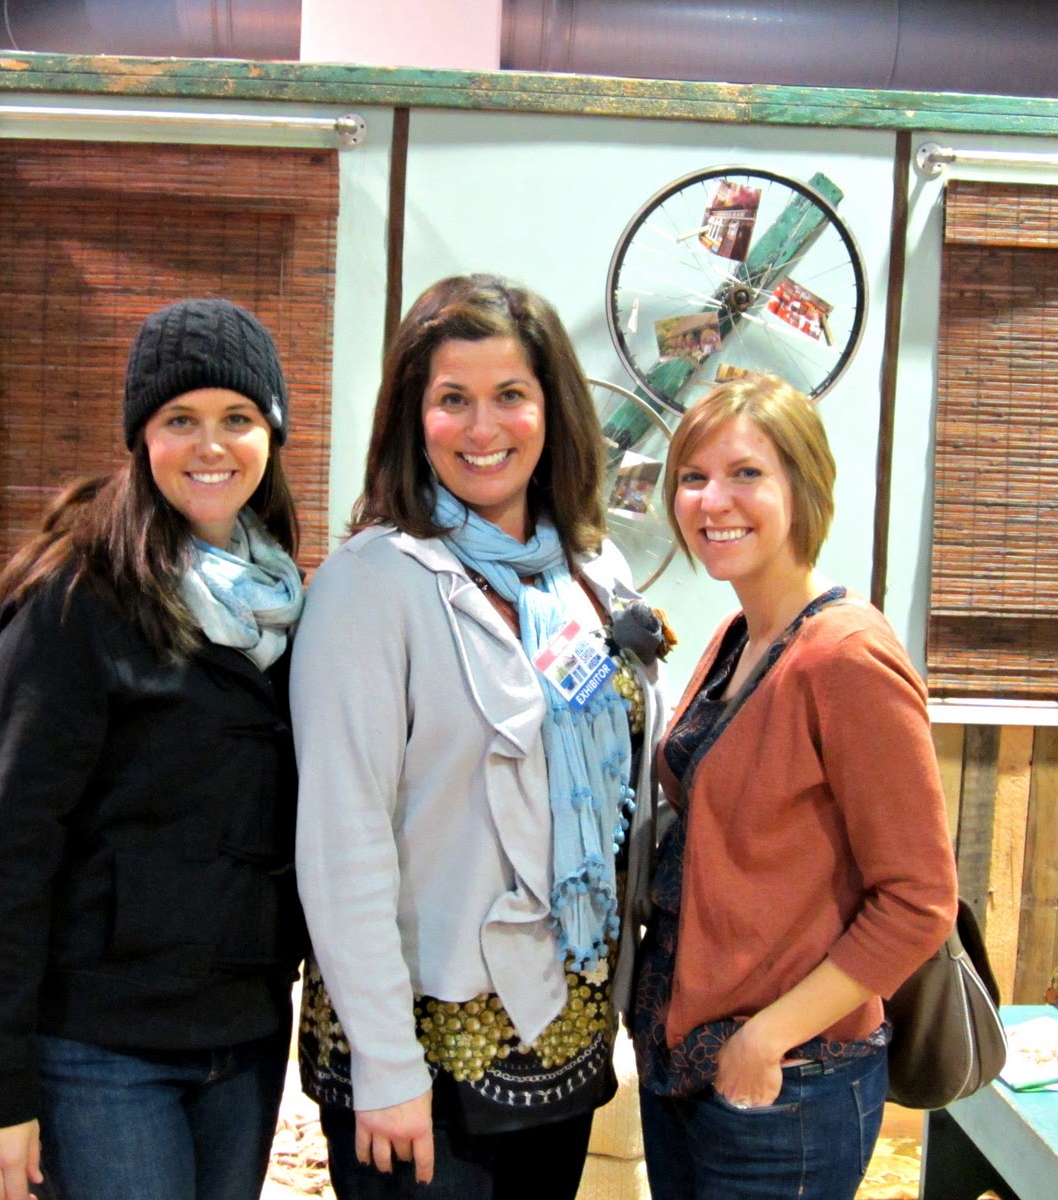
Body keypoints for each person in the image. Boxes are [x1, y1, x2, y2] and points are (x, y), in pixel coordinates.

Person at [291, 273, 668, 1198]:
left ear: (552, 409)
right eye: (452, 399)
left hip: (565, 1036)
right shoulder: (370, 584)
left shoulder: (591, 571)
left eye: (510, 395)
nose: (483, 427)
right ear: (412, 418)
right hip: (422, 1058)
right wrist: (386, 1066)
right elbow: (343, 840)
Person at [0, 298, 306, 1200]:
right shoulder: (75, 599)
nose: (210, 446)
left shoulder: (286, 600)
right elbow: (4, 854)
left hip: (246, 1035)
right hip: (100, 1046)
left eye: (237, 418)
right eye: (180, 419)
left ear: (272, 432)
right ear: (142, 435)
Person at [631, 373, 958, 1200]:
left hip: (788, 1084)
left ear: (802, 487)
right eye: (694, 477)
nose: (713, 500)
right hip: (687, 1060)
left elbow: (918, 900)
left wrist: (767, 1038)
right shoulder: (736, 635)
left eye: (746, 473)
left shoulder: (846, 658)